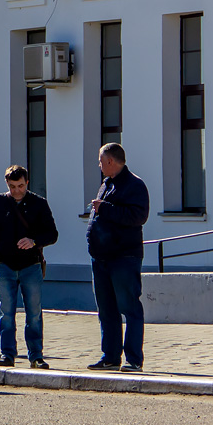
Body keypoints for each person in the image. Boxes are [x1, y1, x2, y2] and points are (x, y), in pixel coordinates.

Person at [0, 165, 58, 368]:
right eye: (12, 186)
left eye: (21, 186)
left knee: (34, 312)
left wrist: (33, 240)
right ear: (7, 184)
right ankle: (7, 354)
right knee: (6, 312)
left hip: (31, 265)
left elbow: (52, 234)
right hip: (4, 266)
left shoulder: (39, 204)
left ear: (27, 183)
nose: (16, 191)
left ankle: (36, 356)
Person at [86, 142, 150, 372]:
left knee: (129, 307)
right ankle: (111, 356)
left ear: (111, 161)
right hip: (101, 258)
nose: (99, 165)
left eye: (101, 161)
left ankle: (133, 359)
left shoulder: (134, 185)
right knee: (106, 309)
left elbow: (138, 216)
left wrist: (105, 208)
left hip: (123, 257)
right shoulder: (107, 184)